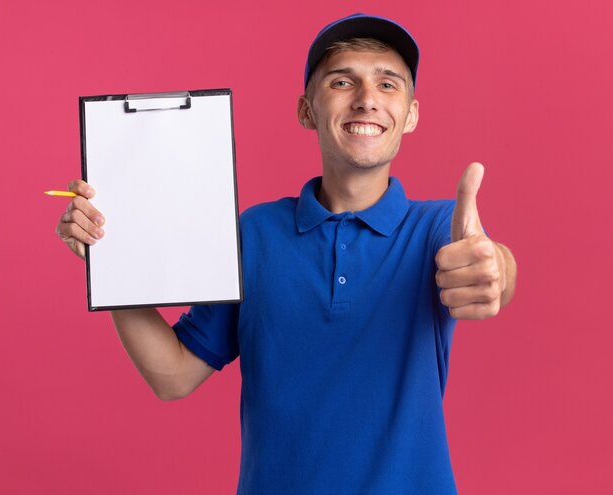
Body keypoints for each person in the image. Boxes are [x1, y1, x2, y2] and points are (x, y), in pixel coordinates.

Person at [56, 13, 516, 495]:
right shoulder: (254, 235)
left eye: (388, 83)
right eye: (343, 81)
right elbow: (172, 375)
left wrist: (494, 269)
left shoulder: (437, 229)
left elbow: (492, 268)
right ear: (306, 110)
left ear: (411, 113)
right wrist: (111, 259)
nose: (367, 99)